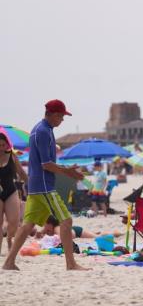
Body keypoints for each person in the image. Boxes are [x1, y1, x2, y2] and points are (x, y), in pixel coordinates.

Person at [3, 99, 89, 271]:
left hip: (36, 185)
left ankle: (9, 262)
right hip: (44, 186)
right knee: (66, 220)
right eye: (61, 116)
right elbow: (46, 164)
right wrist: (68, 172)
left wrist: (66, 170)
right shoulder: (42, 131)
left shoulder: (43, 129)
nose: (62, 120)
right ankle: (70, 263)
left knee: (28, 224)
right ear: (53, 115)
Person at [0, 133, 28, 254]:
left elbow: (21, 173)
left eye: (3, 145)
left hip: (11, 191)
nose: (1, 147)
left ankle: (10, 238)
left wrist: (28, 184)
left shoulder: (12, 155)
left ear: (6, 145)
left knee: (14, 221)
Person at [36, 215, 122, 239]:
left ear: (50, 223)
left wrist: (46, 238)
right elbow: (38, 235)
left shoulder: (57, 228)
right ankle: (98, 232)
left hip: (78, 232)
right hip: (74, 231)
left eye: (45, 223)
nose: (44, 225)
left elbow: (60, 238)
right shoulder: (47, 228)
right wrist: (39, 235)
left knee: (97, 237)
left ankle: (114, 233)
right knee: (95, 234)